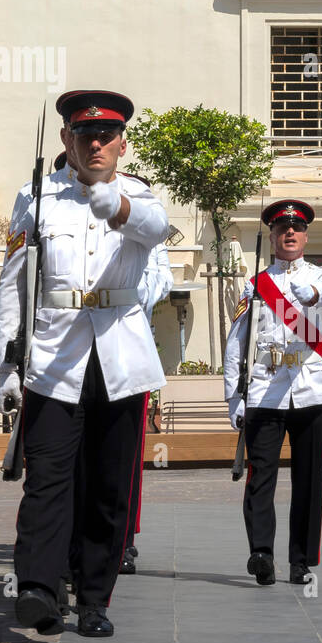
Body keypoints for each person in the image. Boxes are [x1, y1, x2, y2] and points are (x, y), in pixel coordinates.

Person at [0, 89, 169, 638]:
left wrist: (114, 205)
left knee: (108, 485)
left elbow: (155, 229)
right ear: (67, 140)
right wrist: (8, 366)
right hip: (53, 356)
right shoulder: (36, 198)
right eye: (83, 135)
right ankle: (40, 589)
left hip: (119, 355)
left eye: (105, 136)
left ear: (121, 144)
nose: (94, 144)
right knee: (46, 478)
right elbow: (12, 287)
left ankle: (95, 597)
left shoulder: (140, 198)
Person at [223, 199, 322, 586]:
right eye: (282, 229)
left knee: (309, 481)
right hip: (265, 390)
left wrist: (307, 294)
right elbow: (236, 343)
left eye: (296, 228)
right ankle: (261, 554)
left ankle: (301, 561)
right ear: (272, 237)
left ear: (305, 236)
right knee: (261, 477)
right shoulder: (255, 285)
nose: (289, 233)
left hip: (310, 390)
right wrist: (233, 398)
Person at [120, 188, 173, 575]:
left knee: (124, 455)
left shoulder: (142, 221)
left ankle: (122, 537)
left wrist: (125, 294)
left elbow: (161, 279)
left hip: (127, 347)